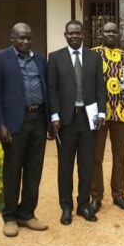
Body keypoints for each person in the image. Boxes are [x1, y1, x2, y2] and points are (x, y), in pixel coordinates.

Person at [0, 22, 49, 237]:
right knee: (13, 170)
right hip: (15, 123)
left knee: (34, 170)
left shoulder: (40, 59)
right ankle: (10, 216)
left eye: (28, 38)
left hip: (38, 119)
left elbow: (47, 88)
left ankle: (27, 213)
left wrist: (50, 120)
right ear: (12, 38)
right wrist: (0, 124)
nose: (25, 41)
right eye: (21, 38)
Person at [48, 20, 107, 225]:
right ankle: (66, 207)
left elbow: (101, 87)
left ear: (84, 34)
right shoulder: (55, 57)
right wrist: (54, 116)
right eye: (70, 33)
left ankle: (83, 205)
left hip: (88, 119)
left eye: (77, 33)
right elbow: (52, 90)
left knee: (86, 164)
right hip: (65, 121)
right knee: (65, 166)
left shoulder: (94, 57)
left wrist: (101, 113)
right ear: (65, 35)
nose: (74, 36)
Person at [89, 22, 124, 213]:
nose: (110, 34)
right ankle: (96, 196)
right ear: (101, 33)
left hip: (121, 113)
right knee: (95, 157)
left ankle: (118, 194)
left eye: (114, 31)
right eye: (107, 31)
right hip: (97, 115)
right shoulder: (92, 54)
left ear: (119, 34)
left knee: (120, 156)